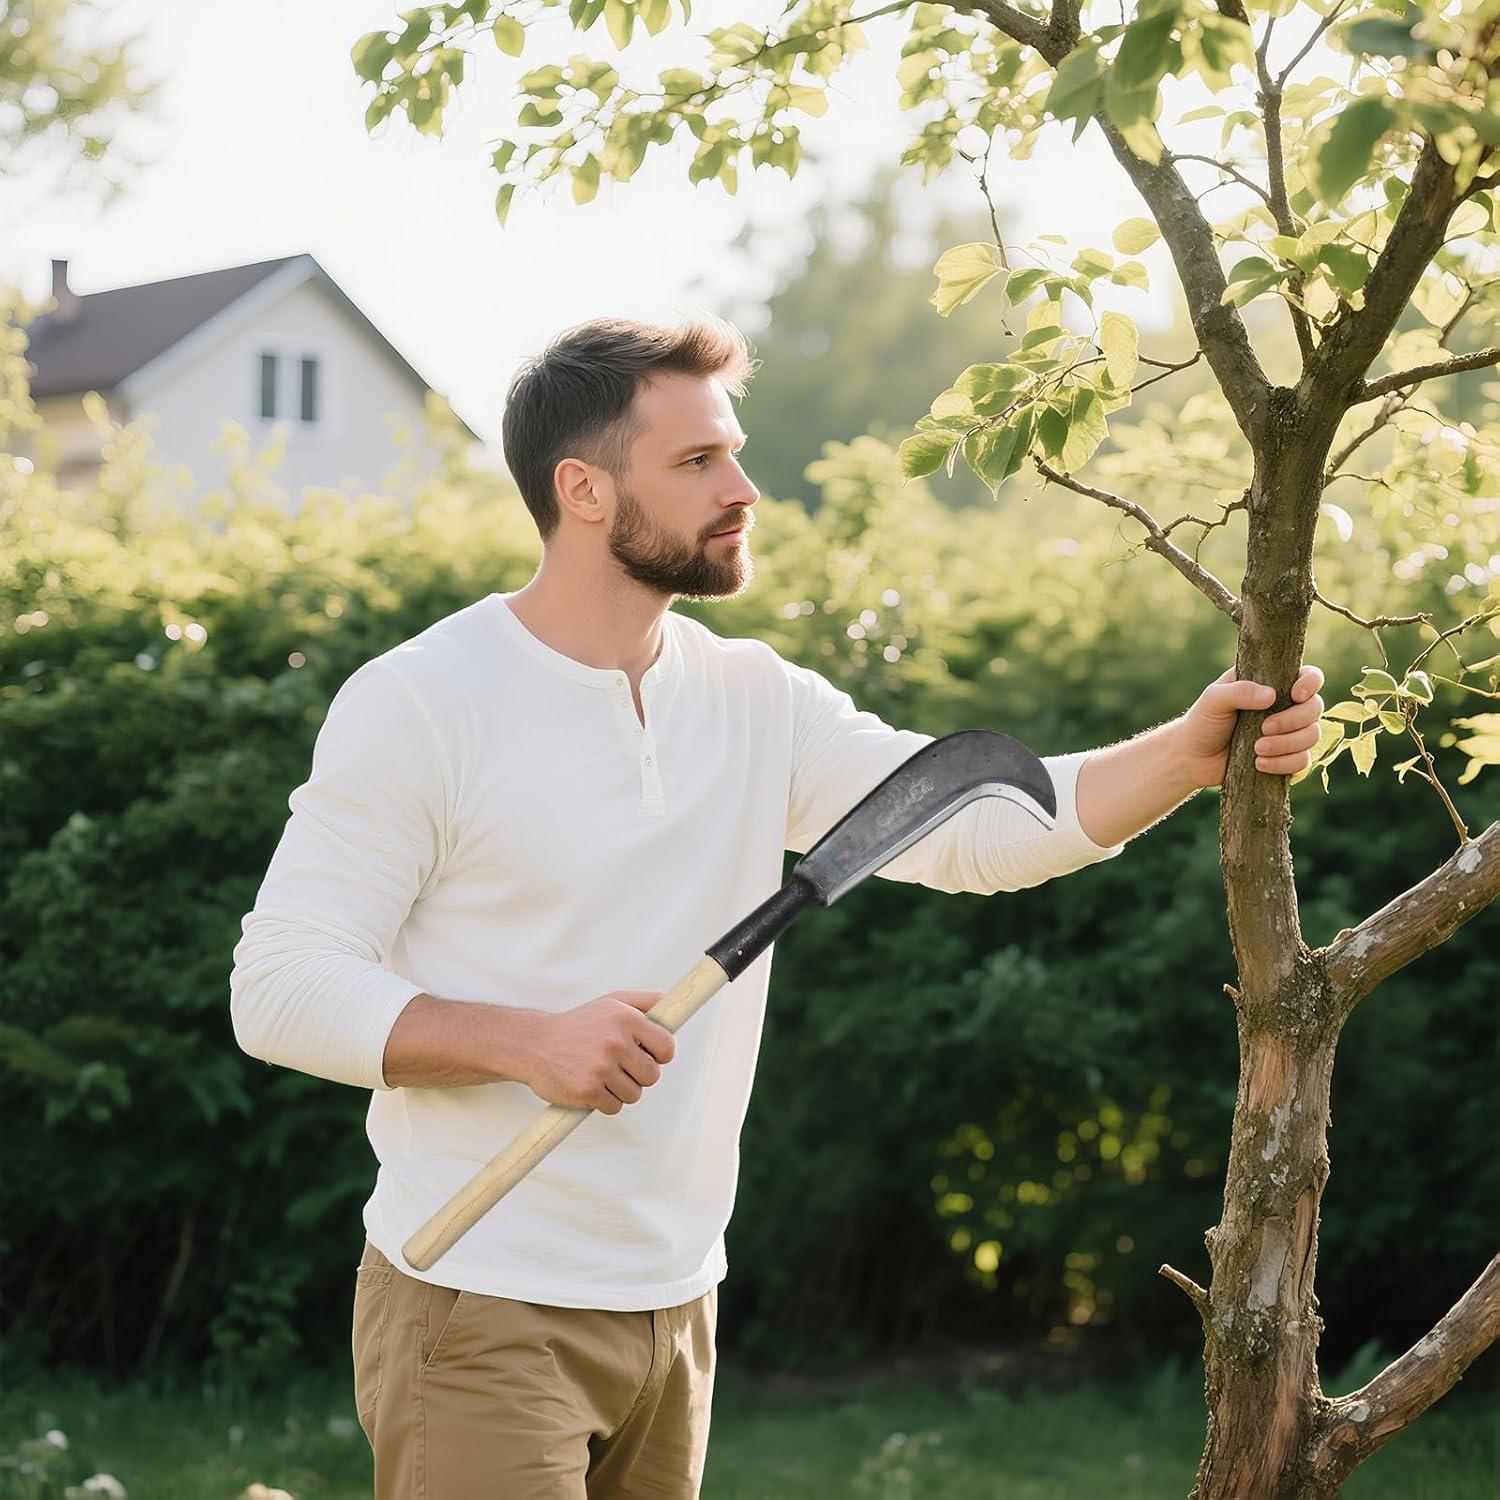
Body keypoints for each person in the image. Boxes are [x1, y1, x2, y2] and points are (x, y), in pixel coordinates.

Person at [228, 315, 1325, 1499]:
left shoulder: (752, 695)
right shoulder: (424, 702)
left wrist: (1190, 745)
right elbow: (281, 985)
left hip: (675, 1305)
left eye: (734, 453)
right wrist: (527, 1042)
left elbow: (980, 824)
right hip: (483, 1302)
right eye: (697, 462)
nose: (744, 488)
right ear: (583, 489)